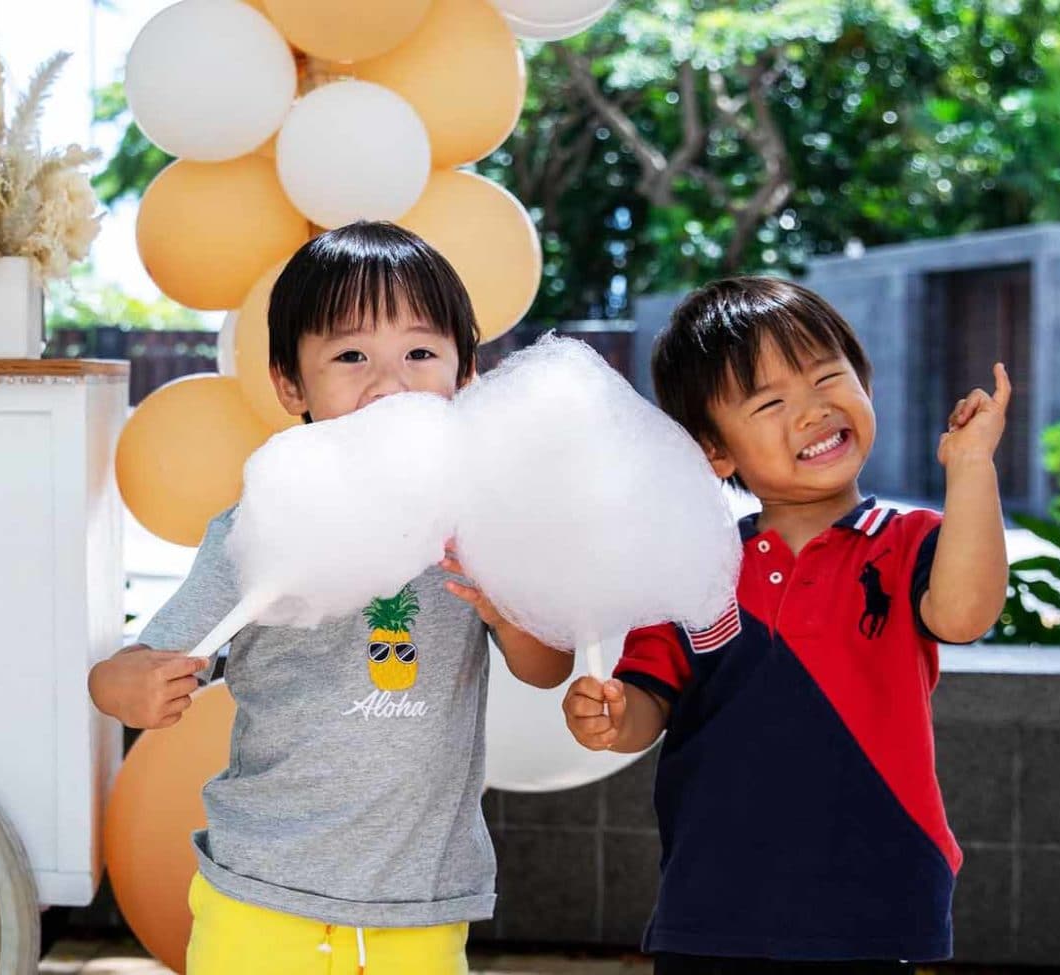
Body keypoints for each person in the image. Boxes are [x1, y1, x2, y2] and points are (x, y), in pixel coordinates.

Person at [91, 221, 574, 974]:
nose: (388, 383)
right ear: (291, 383)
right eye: (351, 355)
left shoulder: (479, 526)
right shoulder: (255, 531)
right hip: (261, 893)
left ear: (465, 374)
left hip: (420, 905)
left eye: (419, 352)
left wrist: (509, 612)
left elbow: (547, 665)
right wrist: (123, 684)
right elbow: (140, 664)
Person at [564, 276, 1012, 973]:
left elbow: (964, 613)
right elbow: (649, 697)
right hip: (712, 904)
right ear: (715, 450)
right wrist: (613, 714)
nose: (811, 410)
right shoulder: (695, 564)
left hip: (871, 898)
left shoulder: (908, 543)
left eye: (828, 378)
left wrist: (973, 467)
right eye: (770, 401)